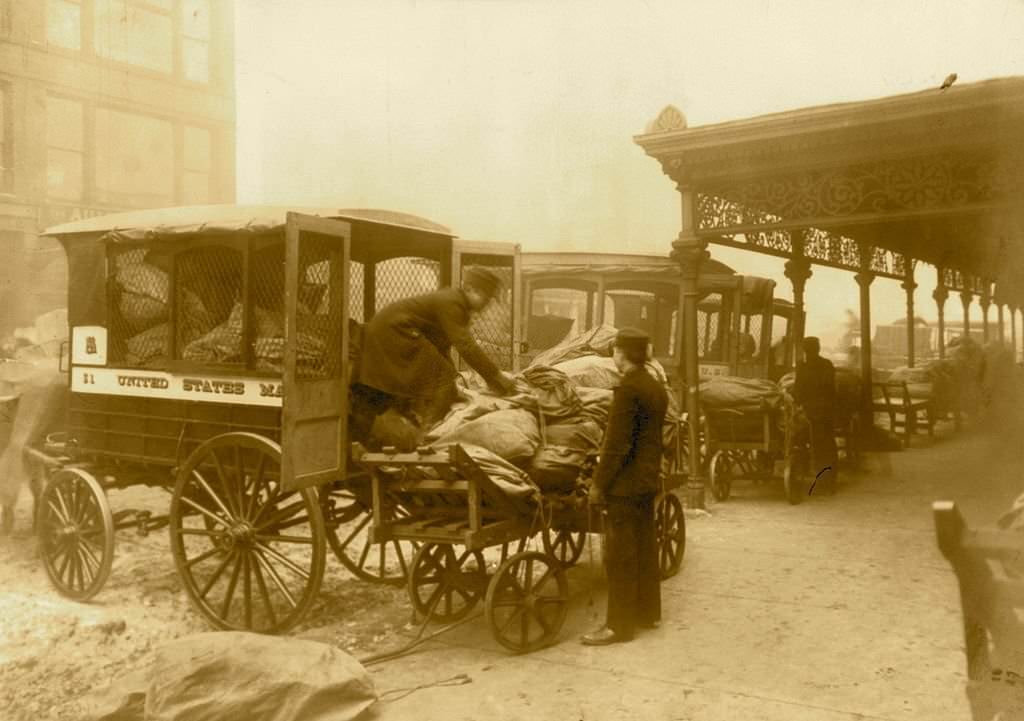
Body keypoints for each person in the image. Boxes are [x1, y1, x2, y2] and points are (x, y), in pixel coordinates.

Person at [352, 268, 516, 442]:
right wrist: (495, 376)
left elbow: (440, 347)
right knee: (443, 383)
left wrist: (457, 375)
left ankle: (420, 434)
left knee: (444, 381)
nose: (487, 304)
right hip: (396, 332)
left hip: (394, 331)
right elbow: (465, 346)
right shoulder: (452, 302)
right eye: (486, 297)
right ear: (470, 289)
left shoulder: (455, 303)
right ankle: (427, 440)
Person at [581, 328, 667, 646]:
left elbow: (616, 445)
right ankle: (647, 613)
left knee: (619, 556)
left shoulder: (628, 389)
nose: (613, 356)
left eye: (615, 351)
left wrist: (598, 484)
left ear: (623, 354)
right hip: (646, 480)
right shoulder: (655, 386)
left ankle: (618, 626)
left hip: (625, 485)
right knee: (645, 546)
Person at [793, 336, 839, 493]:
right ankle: (828, 482)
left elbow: (797, 391)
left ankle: (806, 472)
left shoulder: (802, 367)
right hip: (824, 412)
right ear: (818, 349)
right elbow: (831, 390)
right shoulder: (827, 365)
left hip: (808, 412)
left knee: (802, 441)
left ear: (805, 350)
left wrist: (800, 403)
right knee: (826, 446)